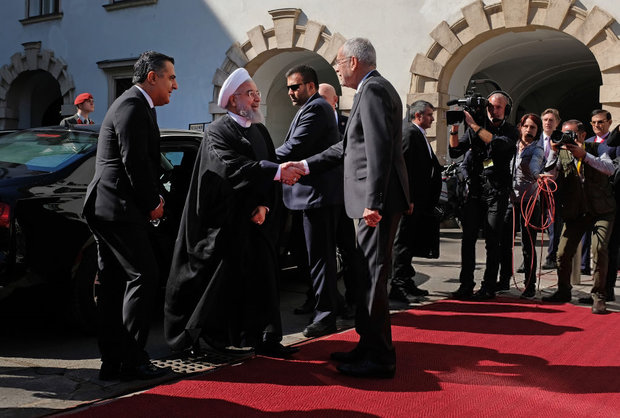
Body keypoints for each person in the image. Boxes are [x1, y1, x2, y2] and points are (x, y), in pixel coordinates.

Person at [164, 68, 302, 359]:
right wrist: (275, 174)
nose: (256, 99)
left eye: (257, 93)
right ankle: (207, 342)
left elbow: (268, 166)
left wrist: (263, 205)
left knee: (264, 281)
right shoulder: (217, 132)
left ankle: (265, 338)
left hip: (258, 223)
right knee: (221, 286)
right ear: (232, 99)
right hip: (226, 226)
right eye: (250, 94)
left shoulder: (260, 130)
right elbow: (230, 169)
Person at [292, 38, 409, 378]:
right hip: (373, 203)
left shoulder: (373, 91)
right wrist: (305, 164)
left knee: (372, 280)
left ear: (354, 62)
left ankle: (381, 359)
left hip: (375, 205)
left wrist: (372, 203)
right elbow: (346, 148)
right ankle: (367, 346)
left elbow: (377, 150)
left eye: (340, 62)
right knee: (364, 277)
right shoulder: (373, 89)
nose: (337, 67)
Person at [83, 51, 177, 381]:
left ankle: (113, 362)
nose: (174, 86)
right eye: (171, 77)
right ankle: (133, 360)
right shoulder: (133, 105)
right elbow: (133, 161)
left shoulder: (135, 104)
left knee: (113, 285)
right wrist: (153, 202)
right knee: (144, 275)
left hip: (110, 207)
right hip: (118, 209)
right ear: (152, 77)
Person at [276, 65, 343, 338]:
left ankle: (326, 316)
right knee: (313, 258)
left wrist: (260, 160)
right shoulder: (308, 108)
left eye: (296, 87)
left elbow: (295, 147)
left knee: (320, 258)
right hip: (307, 197)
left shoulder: (316, 108)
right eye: (289, 87)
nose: (291, 92)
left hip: (317, 197)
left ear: (311, 87)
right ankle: (325, 306)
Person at [449, 92, 518, 300]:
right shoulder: (474, 128)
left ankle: (489, 286)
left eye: (498, 107)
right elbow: (455, 151)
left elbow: (498, 145)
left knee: (492, 240)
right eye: (490, 106)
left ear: (506, 109)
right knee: (468, 238)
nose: (493, 110)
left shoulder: (510, 130)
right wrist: (454, 128)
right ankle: (466, 284)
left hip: (497, 191)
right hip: (476, 191)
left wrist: (475, 127)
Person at [541, 119, 615, 314]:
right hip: (576, 211)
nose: (568, 138)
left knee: (599, 249)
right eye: (564, 134)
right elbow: (552, 174)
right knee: (562, 253)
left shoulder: (597, 148)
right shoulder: (563, 154)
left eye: (571, 134)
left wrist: (585, 155)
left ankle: (599, 295)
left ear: (582, 135)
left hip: (601, 209)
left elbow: (609, 169)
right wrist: (554, 152)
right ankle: (563, 290)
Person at [389, 100, 442, 303]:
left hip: (420, 201)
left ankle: (407, 279)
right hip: (408, 202)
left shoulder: (418, 133)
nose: (432, 118)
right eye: (429, 114)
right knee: (402, 242)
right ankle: (398, 285)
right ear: (418, 115)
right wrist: (407, 198)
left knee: (409, 242)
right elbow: (403, 168)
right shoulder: (409, 133)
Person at [318, 82, 361, 317]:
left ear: (335, 101)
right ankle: (319, 299)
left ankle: (353, 297)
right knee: (320, 252)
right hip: (321, 197)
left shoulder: (347, 124)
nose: (321, 104)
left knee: (348, 249)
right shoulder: (312, 122)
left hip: (343, 197)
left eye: (325, 100)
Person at [497, 113, 545, 299]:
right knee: (505, 243)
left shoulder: (537, 149)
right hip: (510, 200)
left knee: (528, 245)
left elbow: (535, 166)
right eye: (526, 126)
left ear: (537, 130)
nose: (528, 130)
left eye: (533, 127)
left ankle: (529, 284)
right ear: (520, 127)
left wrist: (537, 175)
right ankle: (503, 280)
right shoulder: (512, 145)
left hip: (529, 201)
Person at [579, 110, 615, 275]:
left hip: (607, 195)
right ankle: (583, 266)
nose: (596, 125)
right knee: (585, 234)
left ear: (609, 122)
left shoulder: (614, 142)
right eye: (593, 122)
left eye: (600, 122)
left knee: (602, 241)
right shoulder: (586, 142)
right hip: (586, 196)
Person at [539, 109, 562, 270]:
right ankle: (528, 257)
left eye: (551, 120)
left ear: (557, 123)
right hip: (535, 187)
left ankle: (551, 256)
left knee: (553, 222)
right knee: (532, 222)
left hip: (554, 187)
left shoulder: (561, 140)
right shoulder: (533, 139)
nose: (548, 122)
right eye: (545, 119)